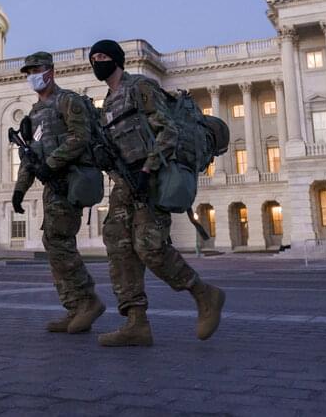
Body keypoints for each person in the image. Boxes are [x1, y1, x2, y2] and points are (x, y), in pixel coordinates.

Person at [89, 39, 225, 347]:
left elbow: (169, 132)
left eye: (102, 56)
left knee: (149, 247)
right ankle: (136, 322)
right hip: (125, 184)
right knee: (118, 245)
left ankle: (204, 294)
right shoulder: (108, 103)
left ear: (116, 60)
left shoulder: (140, 87)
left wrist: (147, 170)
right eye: (93, 58)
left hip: (151, 178)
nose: (97, 62)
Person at [12, 52, 106, 334]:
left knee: (58, 241)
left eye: (36, 69)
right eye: (28, 71)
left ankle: (87, 301)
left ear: (50, 71)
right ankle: (75, 307)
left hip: (70, 181)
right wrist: (20, 189)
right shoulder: (33, 114)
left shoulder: (68, 101)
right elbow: (30, 155)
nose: (32, 75)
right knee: (54, 243)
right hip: (52, 187)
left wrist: (51, 166)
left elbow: (81, 137)